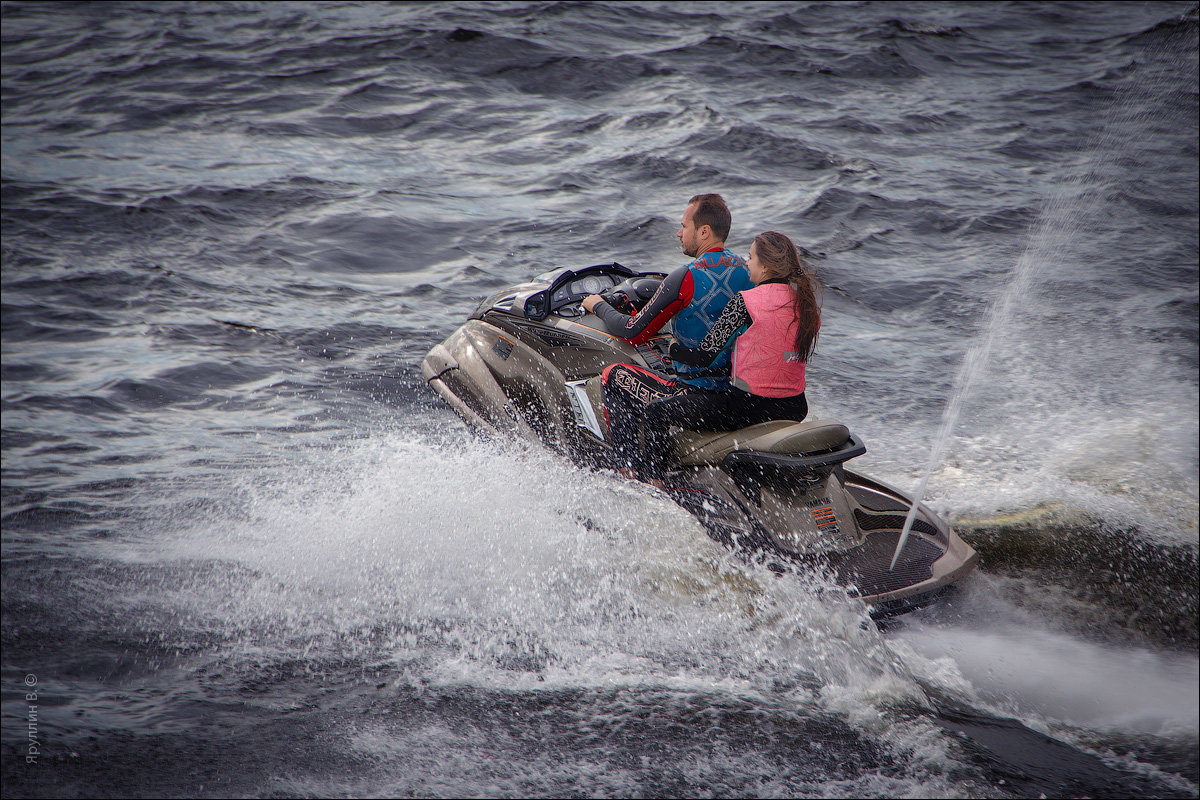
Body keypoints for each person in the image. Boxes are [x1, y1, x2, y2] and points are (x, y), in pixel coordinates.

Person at [599, 230, 820, 481]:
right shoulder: (806, 304)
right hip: (794, 408)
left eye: (751, 258)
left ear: (766, 267)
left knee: (655, 414)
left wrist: (673, 346)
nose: (747, 263)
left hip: (747, 409)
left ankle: (654, 486)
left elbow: (702, 357)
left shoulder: (745, 301)